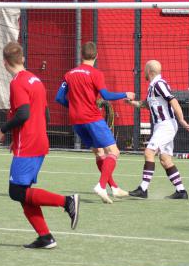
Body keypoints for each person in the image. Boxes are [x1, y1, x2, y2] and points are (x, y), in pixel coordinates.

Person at [0, 41, 80, 249]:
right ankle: (45, 237)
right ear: (22, 58)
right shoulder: (36, 79)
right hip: (37, 141)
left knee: (16, 192)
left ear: (5, 62)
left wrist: (3, 129)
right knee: (24, 194)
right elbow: (46, 113)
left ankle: (67, 201)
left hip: (29, 144)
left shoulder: (17, 83)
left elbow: (23, 113)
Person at [56, 41, 135, 204]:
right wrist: (125, 94)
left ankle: (114, 187)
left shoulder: (69, 74)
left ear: (81, 54)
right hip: (92, 118)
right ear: (96, 56)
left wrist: (73, 107)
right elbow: (106, 96)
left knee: (99, 153)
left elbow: (58, 98)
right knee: (114, 152)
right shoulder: (96, 73)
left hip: (76, 121)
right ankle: (101, 185)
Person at [127, 60, 189, 199]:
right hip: (161, 126)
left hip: (166, 125)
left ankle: (143, 189)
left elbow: (173, 100)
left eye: (145, 70)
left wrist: (181, 119)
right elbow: (147, 104)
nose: (143, 72)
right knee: (165, 159)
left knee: (149, 152)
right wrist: (131, 102)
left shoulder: (159, 84)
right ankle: (181, 191)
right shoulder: (152, 86)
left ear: (150, 72)